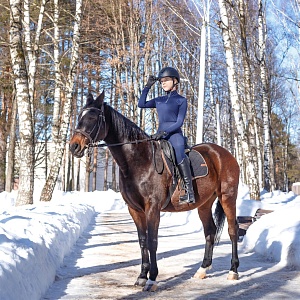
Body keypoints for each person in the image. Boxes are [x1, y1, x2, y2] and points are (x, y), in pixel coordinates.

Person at [138, 67, 195, 204]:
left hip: (174, 135)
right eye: (161, 81)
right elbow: (141, 104)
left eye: (166, 80)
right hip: (160, 134)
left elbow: (179, 122)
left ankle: (189, 192)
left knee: (180, 154)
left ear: (175, 81)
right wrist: (147, 86)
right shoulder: (159, 100)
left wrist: (165, 132)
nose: (163, 83)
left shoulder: (181, 100)